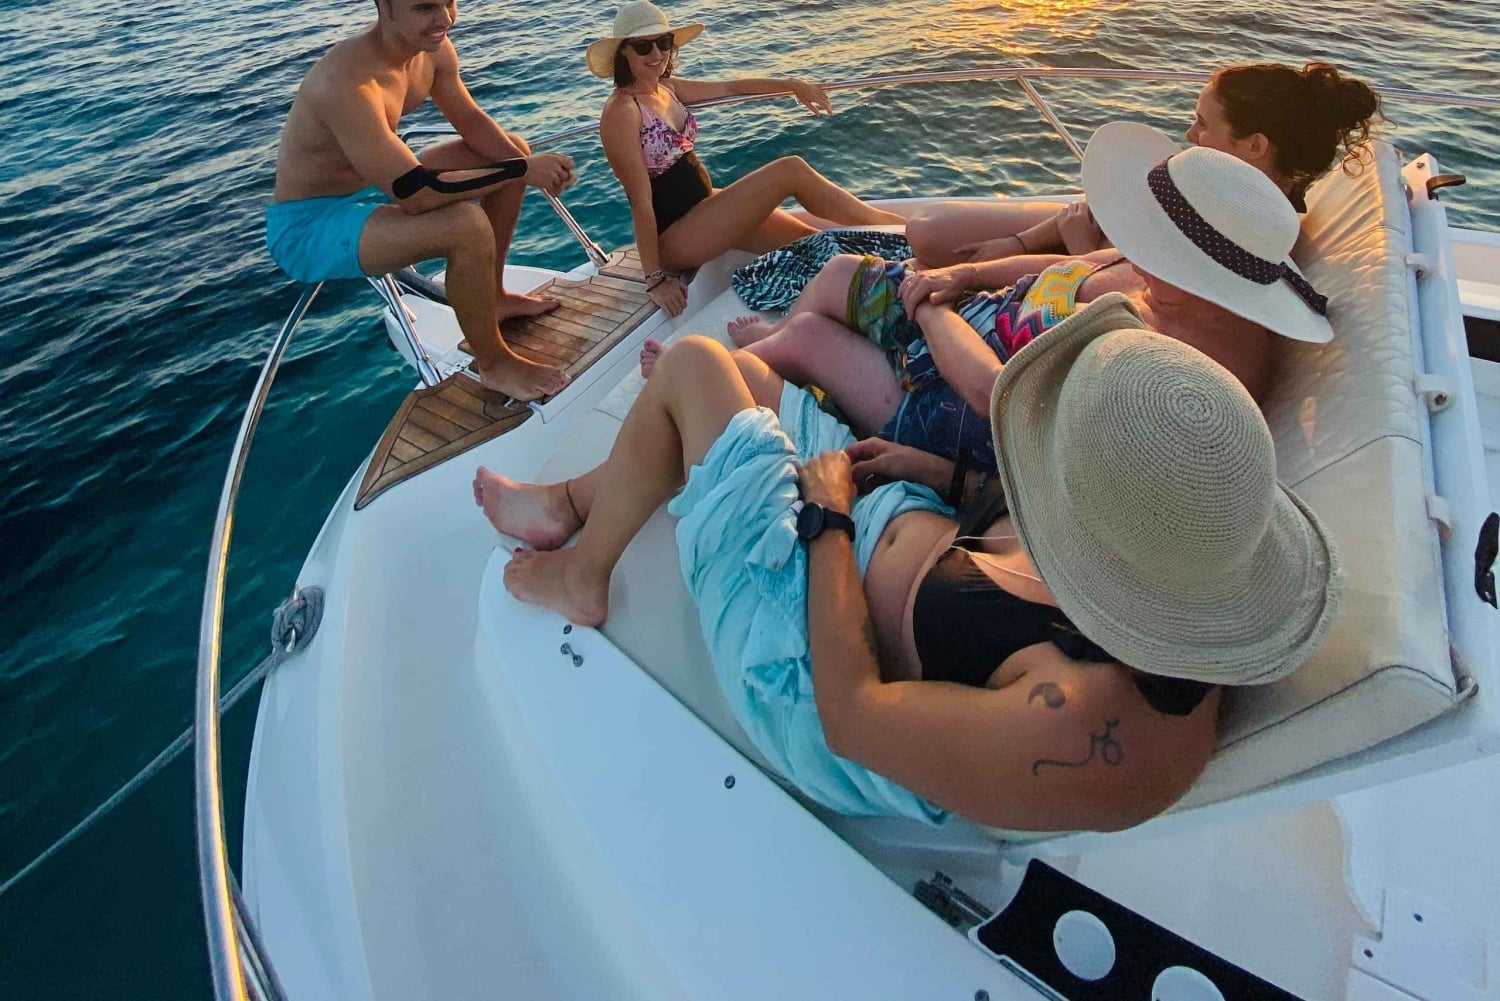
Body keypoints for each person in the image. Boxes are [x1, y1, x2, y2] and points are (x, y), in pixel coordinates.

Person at [473, 296, 1342, 831]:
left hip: (806, 649)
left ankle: (584, 570)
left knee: (699, 366)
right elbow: (1018, 536)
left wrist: (828, 521)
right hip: (900, 519)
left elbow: (854, 717)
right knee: (747, 373)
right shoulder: (1179, 550)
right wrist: (950, 475)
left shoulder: (1086, 729)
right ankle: (578, 504)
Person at [672, 123, 1330, 488]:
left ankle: (725, 367)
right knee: (841, 271)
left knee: (811, 337)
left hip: (957, 405)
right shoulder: (1194, 280)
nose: (1134, 244)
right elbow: (1065, 267)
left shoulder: (1169, 368)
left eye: (1148, 237)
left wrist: (932, 310)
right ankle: (772, 336)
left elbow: (1001, 394)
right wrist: (966, 276)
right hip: (972, 321)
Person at [266, 0, 578, 401]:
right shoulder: (345, 83)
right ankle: (494, 364)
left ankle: (494, 298)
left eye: (449, 2)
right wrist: (522, 171)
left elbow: (470, 120)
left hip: (376, 183)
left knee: (511, 150)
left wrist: (520, 163)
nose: (444, 18)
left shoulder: (431, 50)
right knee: (466, 224)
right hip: (312, 224)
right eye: (425, 7)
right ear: (385, 8)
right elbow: (416, 194)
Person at [588, 1, 907, 318]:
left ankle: (892, 273)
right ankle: (903, 232)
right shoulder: (621, 112)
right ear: (624, 53)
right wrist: (655, 280)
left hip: (704, 211)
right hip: (674, 235)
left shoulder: (666, 88)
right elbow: (640, 201)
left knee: (812, 244)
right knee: (790, 170)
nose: (656, 54)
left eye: (664, 43)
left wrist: (789, 84)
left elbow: (730, 86)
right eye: (643, 47)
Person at [905, 61, 1383, 267]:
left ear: (1254, 145)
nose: (1190, 136)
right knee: (926, 232)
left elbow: (1135, 297)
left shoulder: (1248, 228)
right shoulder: (1207, 177)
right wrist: (1016, 242)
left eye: (1202, 125)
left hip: (1089, 260)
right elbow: (1114, 200)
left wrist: (1078, 249)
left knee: (930, 241)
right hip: (1093, 233)